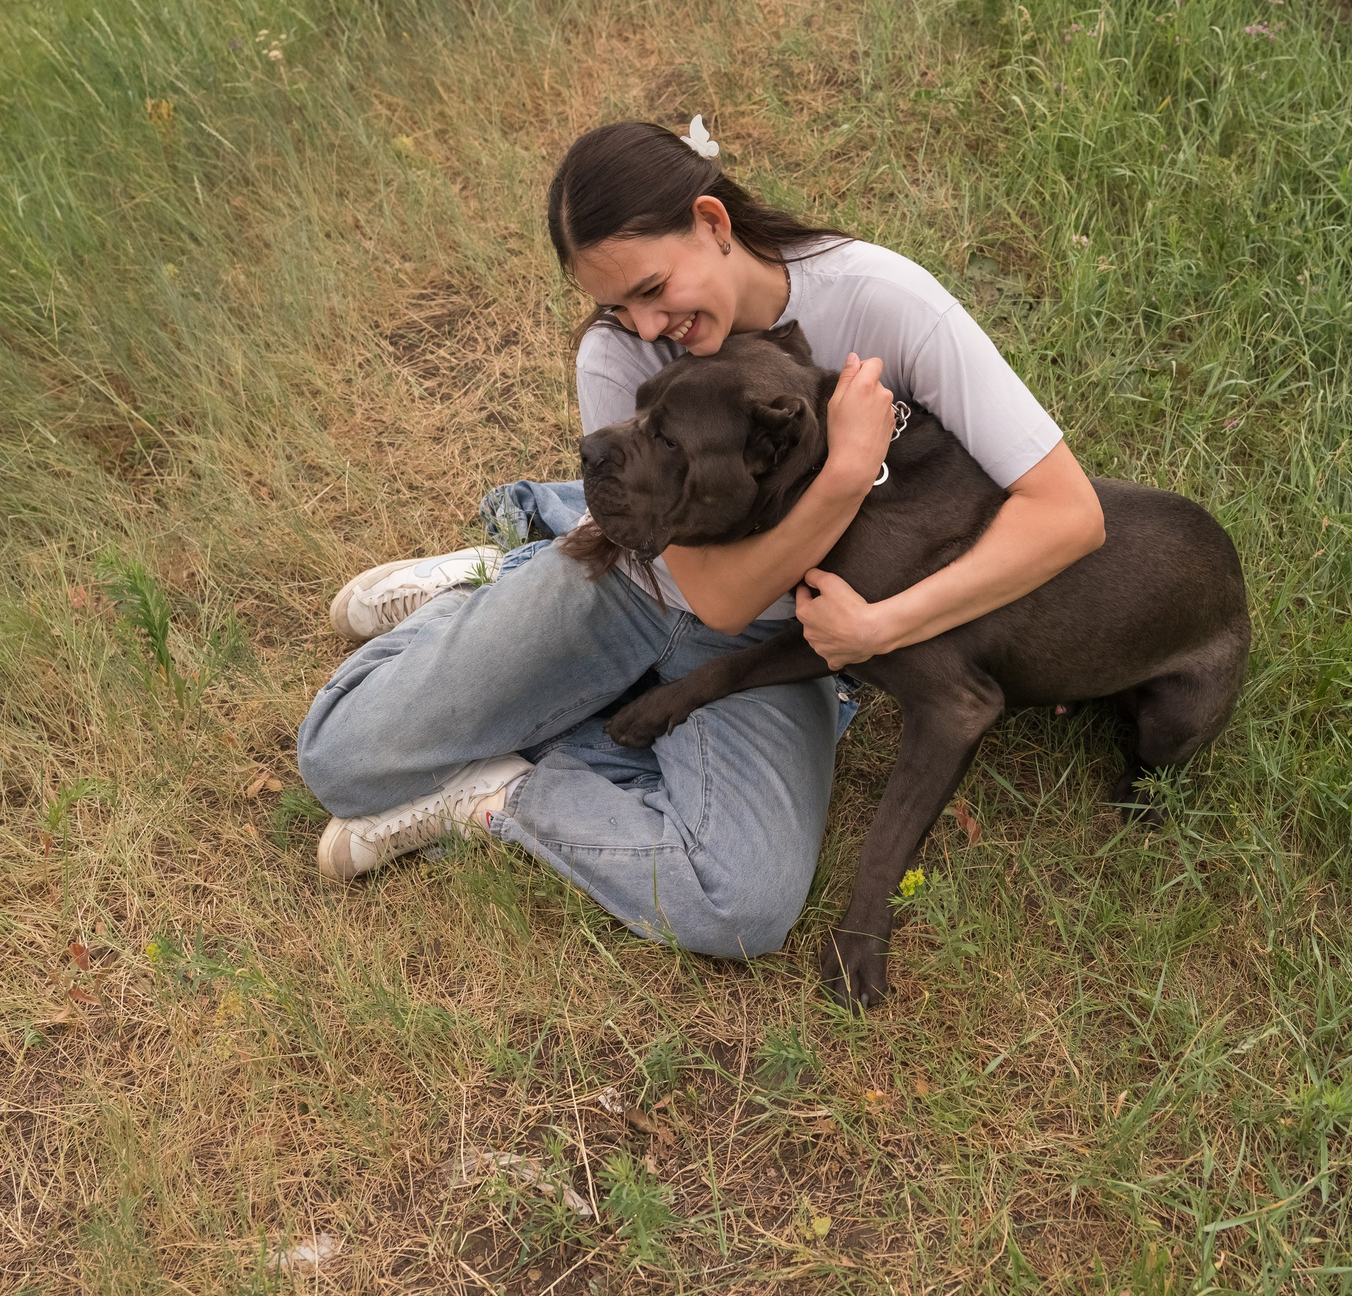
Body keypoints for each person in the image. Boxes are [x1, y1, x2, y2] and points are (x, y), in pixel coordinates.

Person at [293, 116, 1104, 959]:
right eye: (616, 305)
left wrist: (882, 626)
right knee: (341, 759)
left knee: (739, 904)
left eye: (652, 289)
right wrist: (844, 476)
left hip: (773, 639)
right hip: (632, 582)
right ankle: (502, 572)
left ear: (712, 224)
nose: (644, 328)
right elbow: (714, 593)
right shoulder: (614, 352)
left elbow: (1069, 511)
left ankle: (500, 797)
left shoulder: (885, 301)